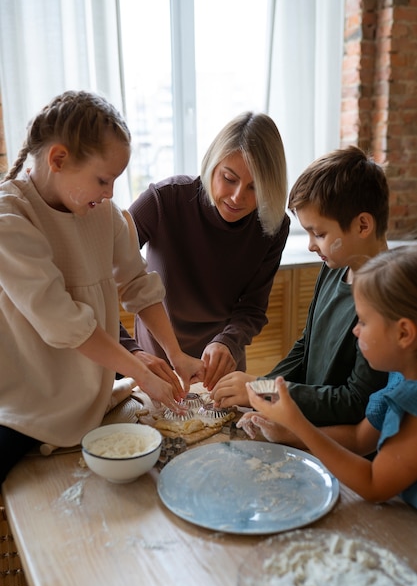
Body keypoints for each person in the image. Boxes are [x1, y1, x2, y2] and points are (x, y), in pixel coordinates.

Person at [0, 90, 204, 483]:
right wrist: (140, 373)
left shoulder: (105, 215)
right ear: (58, 159)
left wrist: (176, 354)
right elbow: (64, 324)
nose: (110, 193)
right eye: (103, 180)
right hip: (24, 407)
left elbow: (138, 285)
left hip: (92, 401)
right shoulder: (10, 218)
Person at [211, 146, 389, 436]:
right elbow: (305, 347)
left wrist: (263, 390)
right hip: (305, 424)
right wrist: (261, 390)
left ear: (363, 225)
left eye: (319, 234)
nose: (310, 245)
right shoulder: (334, 267)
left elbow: (355, 401)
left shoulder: (387, 299)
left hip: (337, 445)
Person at [119, 111, 290, 391]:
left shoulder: (273, 226)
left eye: (254, 187)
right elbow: (99, 270)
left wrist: (228, 342)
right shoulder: (163, 200)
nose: (237, 197)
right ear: (212, 164)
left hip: (219, 367)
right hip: (155, 362)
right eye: (229, 178)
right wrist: (129, 350)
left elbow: (252, 307)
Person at [247, 245, 417, 507]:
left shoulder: (412, 404)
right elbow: (360, 439)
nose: (356, 331)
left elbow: (373, 485)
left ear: (404, 334)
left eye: (363, 322)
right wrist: (285, 433)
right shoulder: (397, 376)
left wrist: (297, 422)